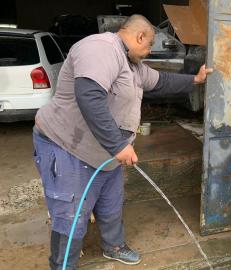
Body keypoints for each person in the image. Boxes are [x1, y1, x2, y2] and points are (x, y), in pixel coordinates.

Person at [33, 14, 213, 269]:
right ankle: (63, 265)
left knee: (111, 204)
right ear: (140, 36)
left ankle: (113, 246)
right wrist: (118, 145)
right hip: (68, 147)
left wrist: (195, 80)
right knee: (71, 215)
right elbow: (90, 96)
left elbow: (160, 82)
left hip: (104, 153)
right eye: (149, 45)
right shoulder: (100, 48)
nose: (148, 52)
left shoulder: (133, 64)